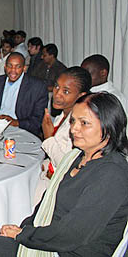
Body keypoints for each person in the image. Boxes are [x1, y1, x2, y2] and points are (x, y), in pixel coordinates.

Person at [0, 92, 128, 257]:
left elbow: (73, 234)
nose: (74, 129)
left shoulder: (112, 174)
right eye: (73, 121)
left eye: (84, 123)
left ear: (109, 126)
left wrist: (23, 235)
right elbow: (48, 202)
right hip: (54, 239)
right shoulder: (78, 157)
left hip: (69, 251)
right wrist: (25, 228)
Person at [35, 67, 91, 203]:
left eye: (65, 91)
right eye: (56, 87)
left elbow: (68, 165)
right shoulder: (63, 114)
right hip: (47, 175)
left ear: (80, 96)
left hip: (59, 187)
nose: (57, 94)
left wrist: (48, 138)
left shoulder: (79, 127)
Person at [0, 53, 48, 137]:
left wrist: (15, 122)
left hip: (22, 131)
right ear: (5, 67)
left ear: (24, 68)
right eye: (9, 66)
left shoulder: (37, 87)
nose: (13, 70)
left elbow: (37, 120)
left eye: (18, 67)